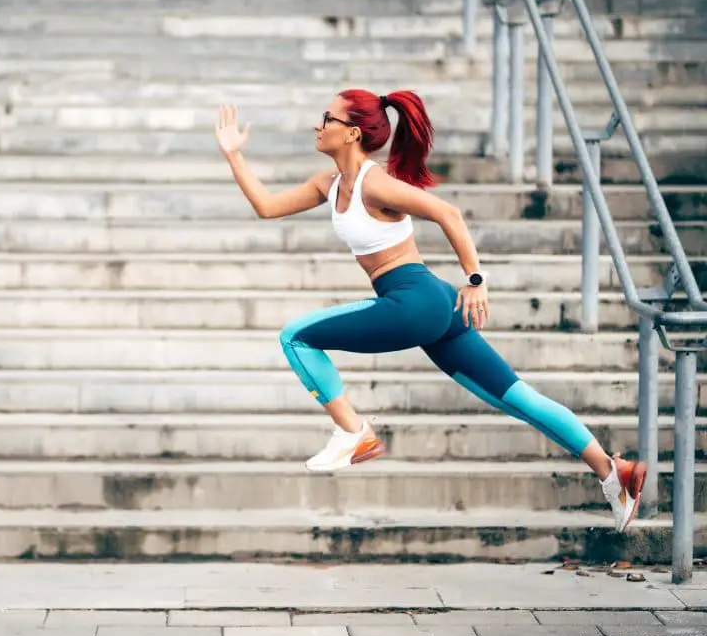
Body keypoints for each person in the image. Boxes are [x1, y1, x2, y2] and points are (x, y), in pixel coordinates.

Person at [213, 90, 647, 533]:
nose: (318, 125)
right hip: (431, 304)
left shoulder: (375, 182)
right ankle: (616, 472)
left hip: (414, 300)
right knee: (517, 397)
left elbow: (448, 213)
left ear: (353, 132)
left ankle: (353, 432)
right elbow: (267, 208)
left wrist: (476, 279)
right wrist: (233, 155)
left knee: (295, 336)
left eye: (327, 118)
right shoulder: (330, 184)